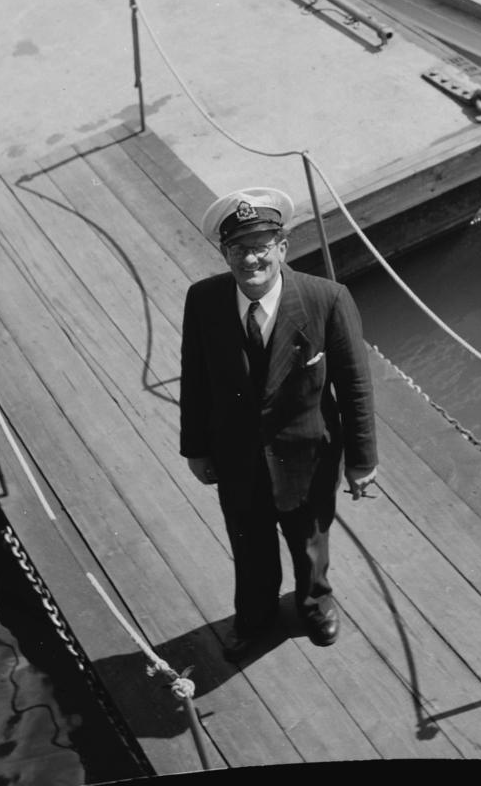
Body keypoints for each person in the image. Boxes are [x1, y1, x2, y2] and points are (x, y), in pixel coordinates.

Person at [180, 187, 377, 662]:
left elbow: (355, 386)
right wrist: (196, 449)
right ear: (224, 253)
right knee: (249, 549)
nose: (251, 259)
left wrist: (362, 460)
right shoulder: (203, 299)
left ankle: (315, 604)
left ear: (283, 247)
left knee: (310, 544)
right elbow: (195, 378)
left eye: (261, 246)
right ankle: (254, 615)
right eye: (238, 248)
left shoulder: (326, 299)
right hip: (236, 458)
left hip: (308, 459)